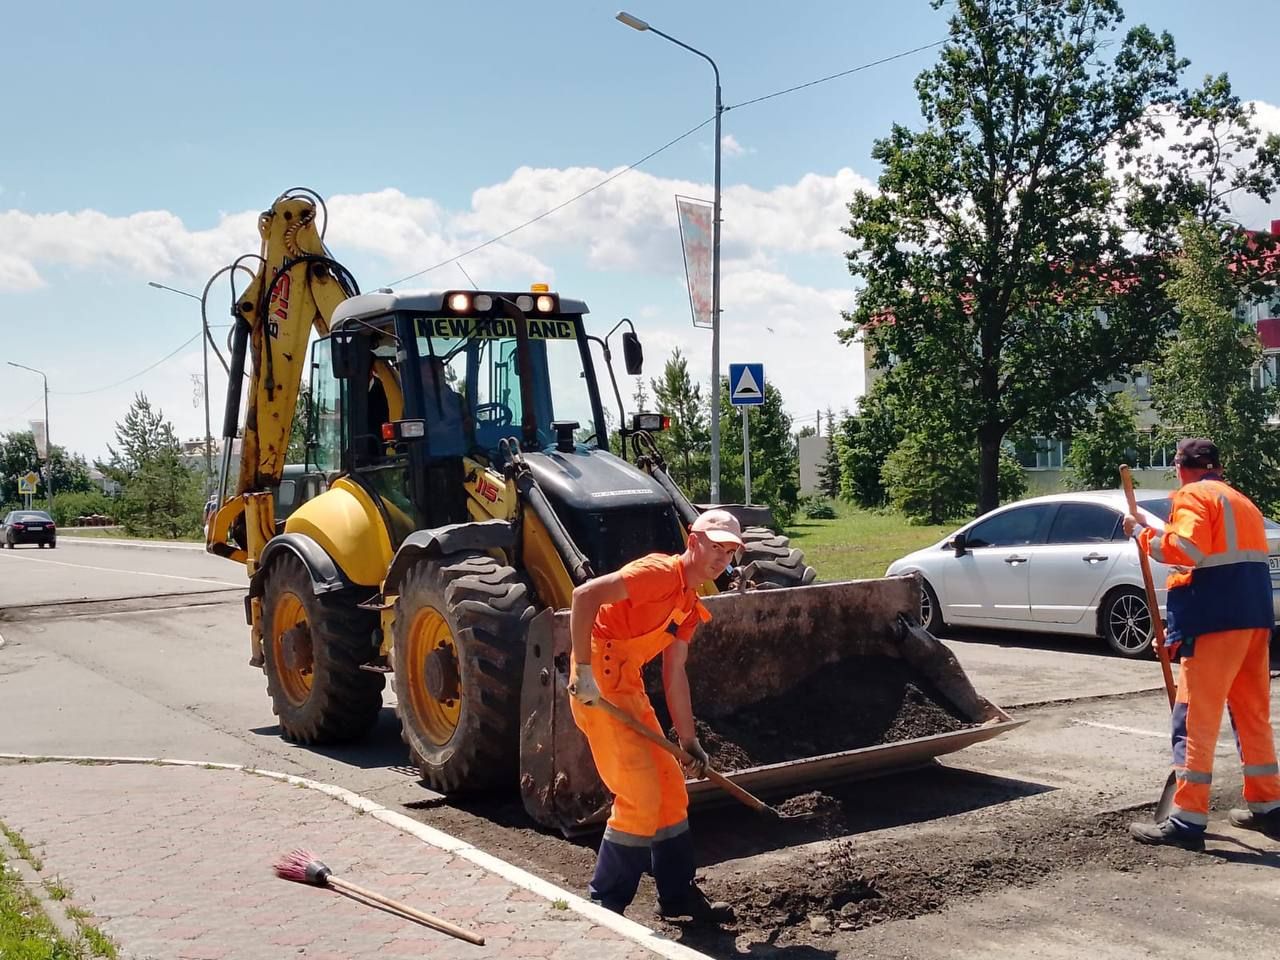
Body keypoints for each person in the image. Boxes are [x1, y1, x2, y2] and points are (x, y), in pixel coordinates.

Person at [567, 509, 744, 920]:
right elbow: (584, 596)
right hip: (597, 685)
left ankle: (677, 896)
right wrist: (582, 671)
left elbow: (674, 672)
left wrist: (688, 740)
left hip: (624, 685)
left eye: (729, 551)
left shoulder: (688, 602)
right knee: (639, 794)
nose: (721, 558)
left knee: (669, 788)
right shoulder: (658, 573)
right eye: (714, 546)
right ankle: (606, 904)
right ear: (693, 540)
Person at [1123, 437, 1280, 850]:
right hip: (1255, 619)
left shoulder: (1192, 495)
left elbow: (1189, 549)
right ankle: (1267, 805)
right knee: (1252, 714)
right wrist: (1149, 526)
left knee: (1195, 718)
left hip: (1214, 621)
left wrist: (1142, 536)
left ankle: (1187, 819)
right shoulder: (1240, 501)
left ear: (1180, 467)